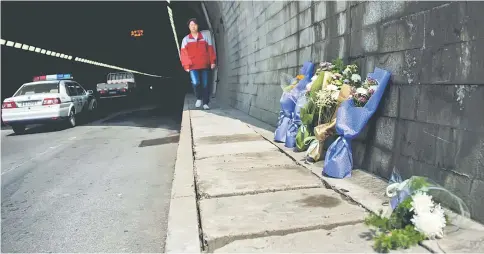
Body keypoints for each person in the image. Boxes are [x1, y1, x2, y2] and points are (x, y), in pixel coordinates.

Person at [180, 18, 217, 110]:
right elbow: (184, 54)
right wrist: (186, 65)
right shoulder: (186, 40)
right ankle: (199, 98)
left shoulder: (204, 37)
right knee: (196, 83)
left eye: (195, 24)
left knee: (205, 85)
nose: (193, 26)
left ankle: (205, 103)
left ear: (197, 26)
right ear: (189, 27)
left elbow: (210, 50)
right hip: (193, 66)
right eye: (191, 25)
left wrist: (212, 61)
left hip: (205, 64)